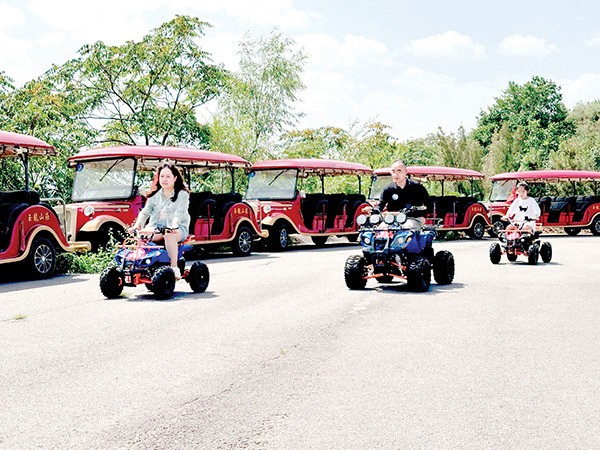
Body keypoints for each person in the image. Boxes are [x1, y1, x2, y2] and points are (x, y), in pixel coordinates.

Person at [128, 163, 191, 279]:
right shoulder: (155, 195)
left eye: (168, 176)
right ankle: (141, 265)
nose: (164, 179)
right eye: (162, 176)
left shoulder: (182, 195)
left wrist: (174, 225)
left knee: (168, 233)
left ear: (175, 178)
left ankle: (174, 267)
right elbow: (145, 211)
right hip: (156, 228)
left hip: (177, 228)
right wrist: (137, 225)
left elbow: (180, 212)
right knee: (141, 234)